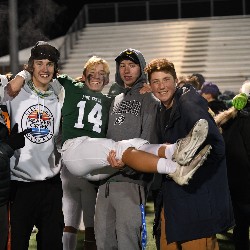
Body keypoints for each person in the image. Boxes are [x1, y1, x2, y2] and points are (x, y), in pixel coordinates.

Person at [142, 58, 234, 249]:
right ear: (150, 85)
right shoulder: (161, 109)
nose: (161, 86)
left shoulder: (188, 101)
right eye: (156, 81)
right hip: (171, 202)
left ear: (176, 80)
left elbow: (215, 146)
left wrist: (188, 164)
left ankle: (180, 150)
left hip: (196, 204)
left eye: (166, 79)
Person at [4, 41, 64, 250]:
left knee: (52, 244)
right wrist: (21, 75)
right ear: (31, 65)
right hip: (20, 185)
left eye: (49, 64)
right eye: (39, 63)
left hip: (51, 184)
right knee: (17, 244)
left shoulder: (60, 93)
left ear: (56, 68)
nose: (44, 69)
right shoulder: (14, 91)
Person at [215, 80, 250, 250]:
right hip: (245, 183)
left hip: (232, 182)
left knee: (240, 229)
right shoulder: (245, 120)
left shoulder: (228, 118)